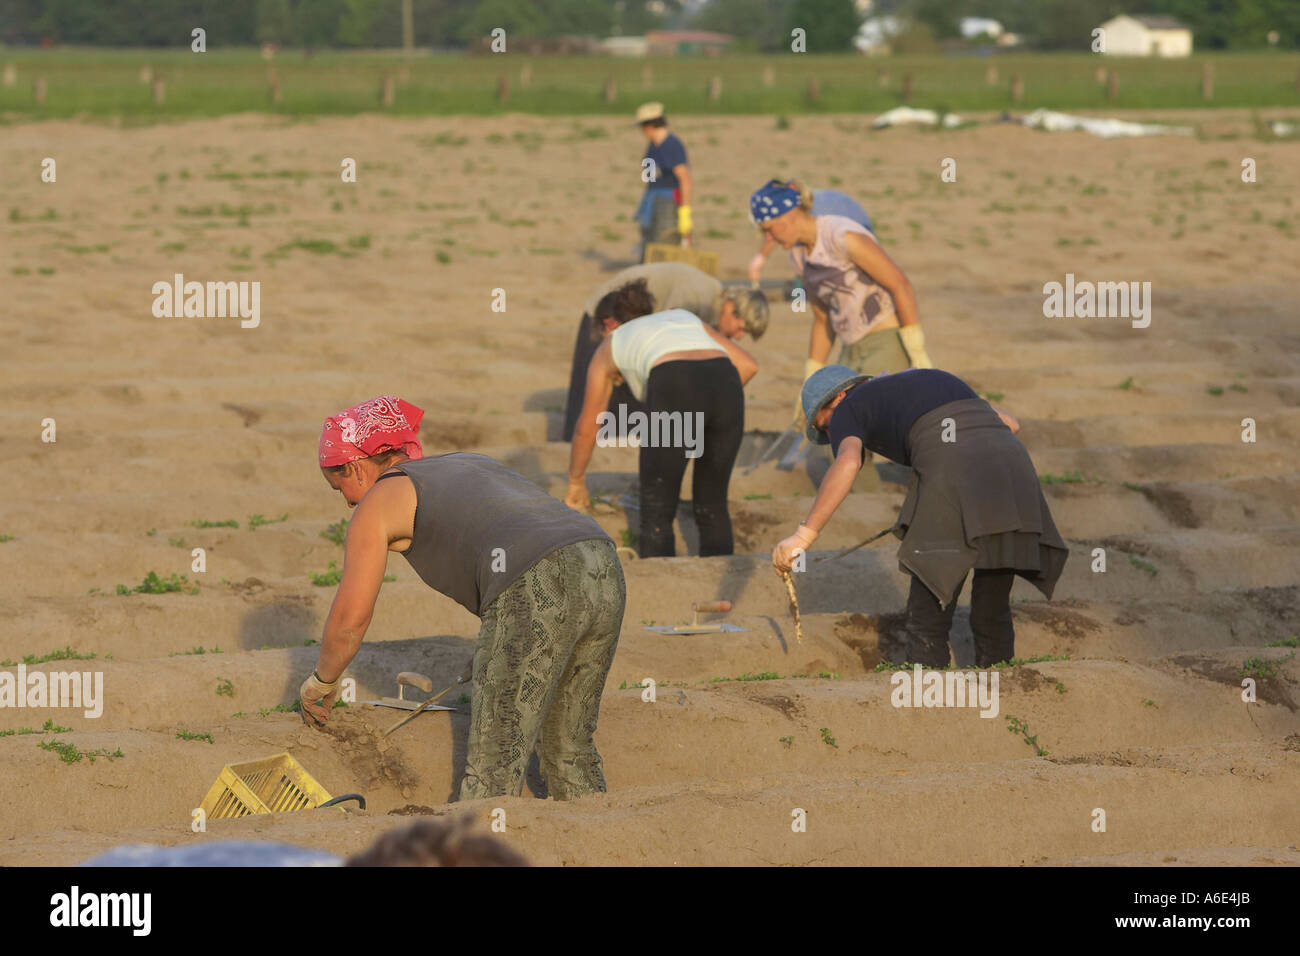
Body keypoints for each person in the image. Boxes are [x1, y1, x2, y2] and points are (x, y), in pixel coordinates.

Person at [299, 396, 626, 802]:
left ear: (355, 464)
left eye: (340, 486)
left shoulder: (379, 502)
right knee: (571, 749)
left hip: (538, 579)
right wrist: (502, 645)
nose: (348, 501)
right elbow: (515, 534)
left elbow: (350, 619)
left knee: (494, 764)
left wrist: (322, 681)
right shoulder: (467, 462)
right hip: (601, 561)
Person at [771, 366, 1069, 668]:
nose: (829, 433)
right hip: (1012, 468)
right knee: (992, 609)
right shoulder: (925, 378)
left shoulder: (848, 406)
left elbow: (847, 463)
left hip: (956, 471)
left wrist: (803, 536)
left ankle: (926, 704)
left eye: (824, 427)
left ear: (837, 397)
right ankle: (1003, 695)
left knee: (928, 611)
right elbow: (1011, 424)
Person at [566, 281, 758, 557]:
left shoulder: (611, 344)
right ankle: (721, 592)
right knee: (712, 504)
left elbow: (587, 426)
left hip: (675, 382)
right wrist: (704, 411)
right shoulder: (681, 316)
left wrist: (576, 481)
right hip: (726, 384)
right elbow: (748, 365)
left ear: (609, 324)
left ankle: (663, 587)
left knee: (657, 509)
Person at [749, 179, 934, 412]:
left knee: (873, 417)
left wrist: (916, 349)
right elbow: (823, 318)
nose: (769, 239)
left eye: (769, 229)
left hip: (885, 338)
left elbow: (900, 285)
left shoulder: (842, 236)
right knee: (832, 417)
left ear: (790, 214)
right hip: (850, 347)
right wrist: (811, 376)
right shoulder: (799, 257)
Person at [562, 261, 770, 442]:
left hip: (631, 322)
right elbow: (662, 335)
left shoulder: (711, 304)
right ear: (730, 308)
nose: (740, 337)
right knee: (590, 393)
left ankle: (617, 442)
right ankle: (572, 449)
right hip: (606, 314)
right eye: (741, 328)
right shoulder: (698, 296)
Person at [747, 182, 874, 284]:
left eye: (768, 230)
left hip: (855, 232)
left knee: (804, 269)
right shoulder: (802, 209)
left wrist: (759, 261)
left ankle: (799, 305)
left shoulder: (823, 227)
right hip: (861, 226)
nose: (769, 236)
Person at [634, 102, 692, 257]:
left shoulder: (672, 145)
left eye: (642, 127)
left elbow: (684, 178)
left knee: (664, 245)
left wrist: (684, 212)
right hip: (652, 198)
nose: (641, 131)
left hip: (668, 200)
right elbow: (649, 176)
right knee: (649, 241)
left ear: (650, 126)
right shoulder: (652, 146)